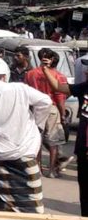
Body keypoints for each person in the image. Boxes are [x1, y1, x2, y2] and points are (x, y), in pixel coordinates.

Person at [0, 62, 52, 214]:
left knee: (4, 201)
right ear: (4, 77)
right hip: (25, 153)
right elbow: (45, 102)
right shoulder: (20, 89)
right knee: (32, 202)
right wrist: (38, 125)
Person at [44, 59, 88, 216]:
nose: (85, 71)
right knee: (84, 190)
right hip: (83, 150)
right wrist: (45, 69)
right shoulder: (84, 87)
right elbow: (57, 87)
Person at [25, 48, 67, 178]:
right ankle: (52, 170)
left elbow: (25, 92)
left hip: (35, 108)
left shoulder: (30, 74)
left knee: (37, 139)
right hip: (52, 108)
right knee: (53, 140)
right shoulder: (58, 76)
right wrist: (63, 113)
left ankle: (38, 169)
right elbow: (60, 96)